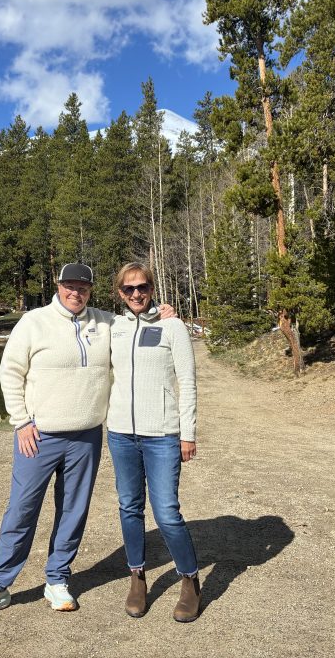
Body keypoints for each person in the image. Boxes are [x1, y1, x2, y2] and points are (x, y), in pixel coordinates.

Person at [0, 263, 112, 618]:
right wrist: (21, 422)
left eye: (83, 286)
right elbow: (10, 372)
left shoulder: (107, 323)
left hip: (87, 435)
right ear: (58, 286)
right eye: (69, 286)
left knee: (73, 511)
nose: (75, 292)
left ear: (91, 289)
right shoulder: (33, 322)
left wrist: (159, 311)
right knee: (21, 510)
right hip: (39, 435)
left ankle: (57, 579)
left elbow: (141, 321)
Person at [106, 262, 200, 622]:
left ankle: (190, 580)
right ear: (119, 293)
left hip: (161, 435)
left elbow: (188, 382)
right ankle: (137, 577)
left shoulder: (171, 325)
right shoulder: (112, 327)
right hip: (120, 434)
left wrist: (187, 432)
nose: (135, 294)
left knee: (166, 513)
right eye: (128, 289)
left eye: (142, 287)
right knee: (129, 507)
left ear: (151, 287)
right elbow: (75, 313)